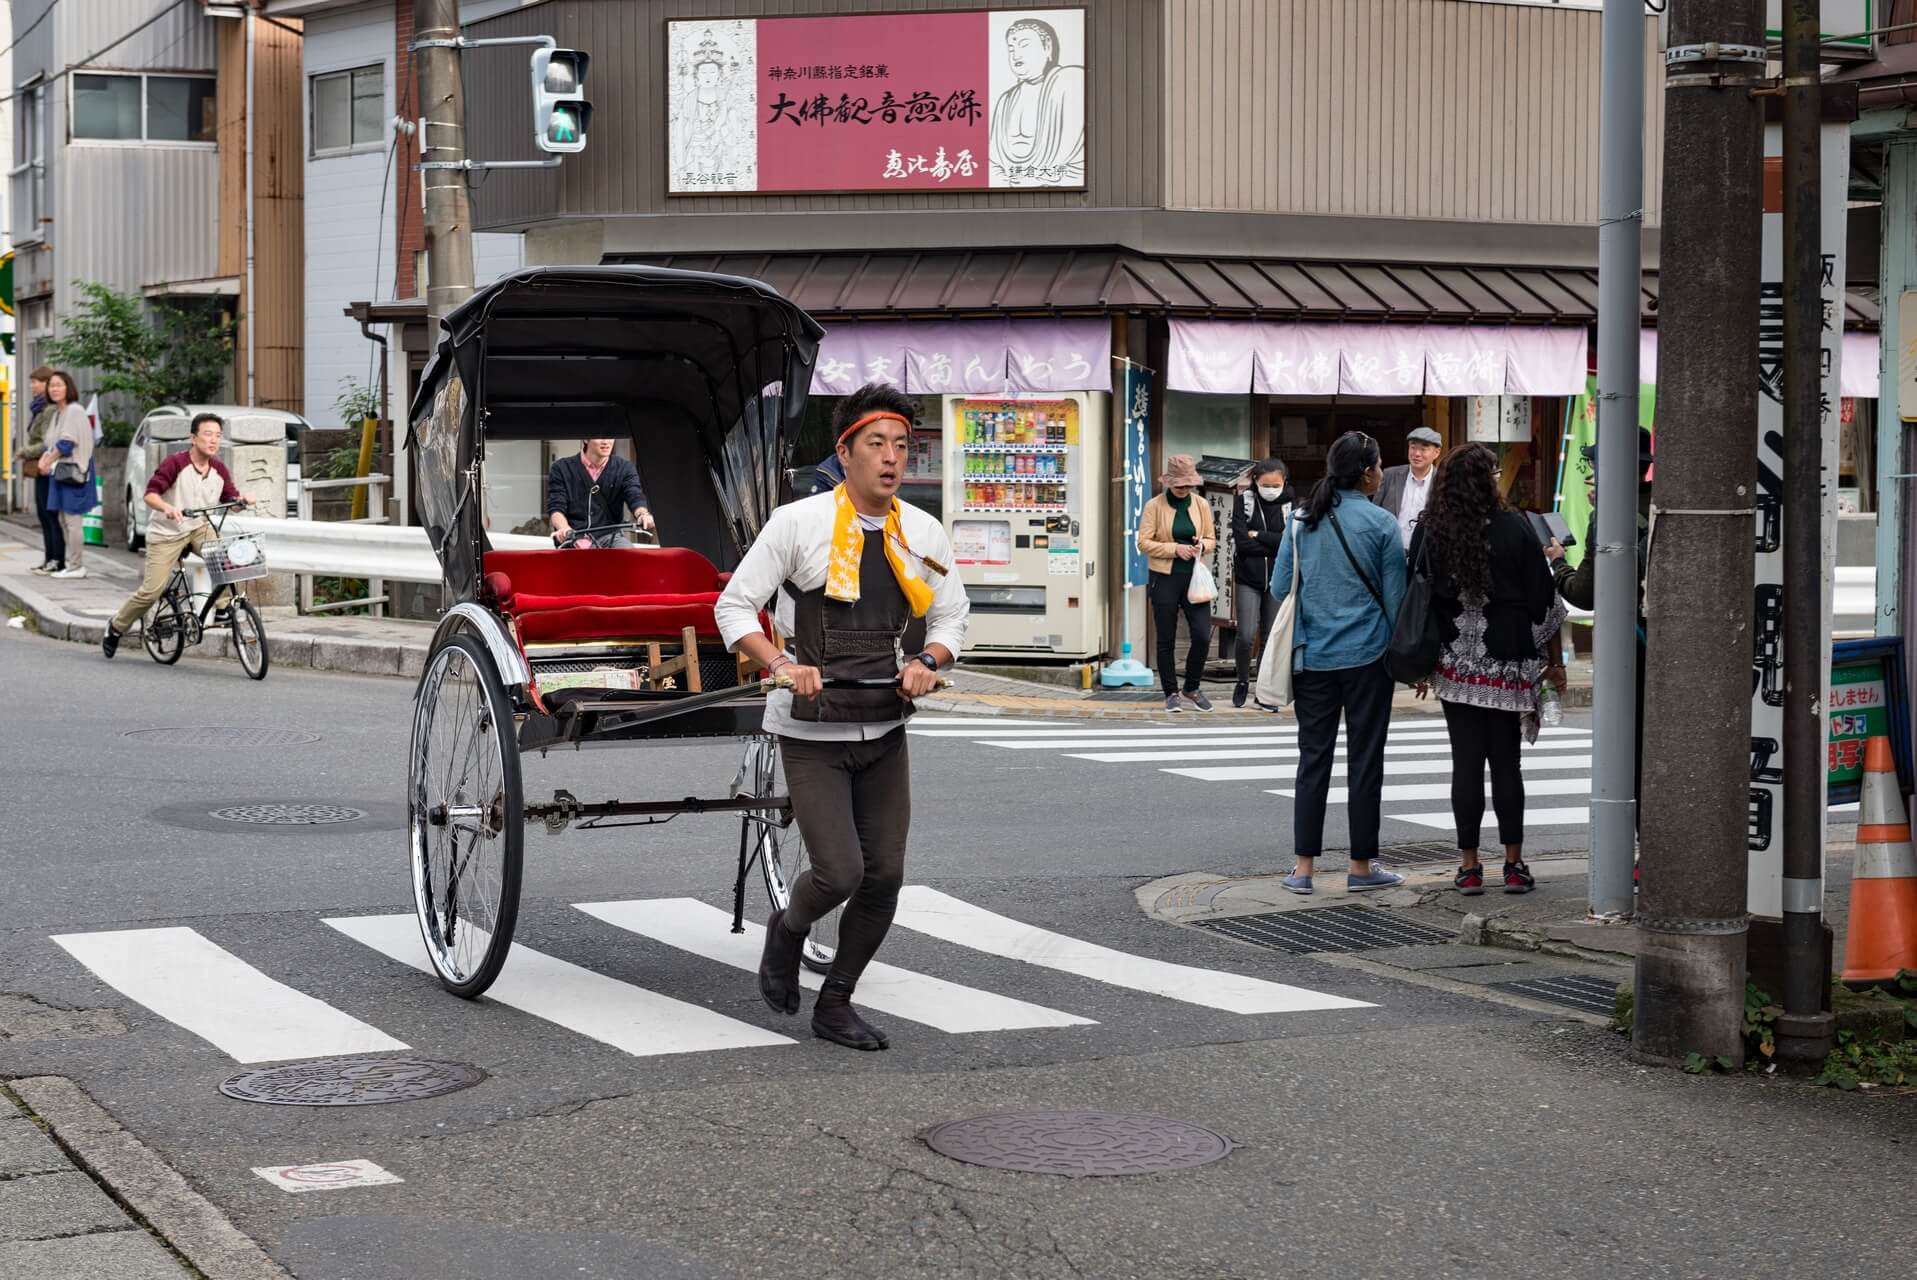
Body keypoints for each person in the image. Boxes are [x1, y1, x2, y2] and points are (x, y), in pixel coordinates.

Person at [715, 383, 969, 1052]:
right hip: (810, 731)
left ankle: (836, 1003)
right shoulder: (796, 524)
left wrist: (928, 660)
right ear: (845, 452)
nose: (891, 459)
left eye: (901, 447)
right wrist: (778, 664)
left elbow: (949, 615)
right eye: (876, 445)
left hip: (884, 724)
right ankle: (789, 929)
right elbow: (734, 608)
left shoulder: (921, 531)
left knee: (885, 875)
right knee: (840, 873)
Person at [1408, 444, 1567, 895]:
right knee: (1507, 766)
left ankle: (1469, 866)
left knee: (1465, 766)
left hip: (1455, 663)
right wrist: (1552, 661)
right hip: (1508, 661)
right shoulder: (1516, 526)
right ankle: (1514, 865)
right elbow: (1545, 602)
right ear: (1489, 480)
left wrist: (1423, 663)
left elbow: (1417, 597)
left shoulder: (1433, 530)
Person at [1270, 431, 1407, 895]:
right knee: (1366, 761)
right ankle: (1360, 867)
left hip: (1312, 656)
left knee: (1313, 759)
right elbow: (1395, 601)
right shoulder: (1382, 523)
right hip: (1369, 657)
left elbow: (1278, 587)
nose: (1382, 471)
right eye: (1380, 464)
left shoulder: (1300, 520)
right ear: (1367, 472)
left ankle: (1304, 868)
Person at [1548, 428, 1654, 838]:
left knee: (1627, 748)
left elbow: (1586, 593)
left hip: (1629, 645)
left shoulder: (1608, 516)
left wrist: (1559, 563)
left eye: (1595, 464)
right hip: (1666, 643)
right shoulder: (1661, 504)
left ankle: (1637, 847)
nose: (1590, 471)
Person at [102, 413, 256, 659]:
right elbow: (150, 494)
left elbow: (230, 499)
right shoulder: (175, 463)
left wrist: (241, 501)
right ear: (193, 438)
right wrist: (167, 508)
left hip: (197, 527)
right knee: (151, 592)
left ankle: (224, 607)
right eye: (207, 434)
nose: (213, 440)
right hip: (167, 532)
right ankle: (117, 626)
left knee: (225, 558)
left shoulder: (218, 468)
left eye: (218, 435)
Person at [1137, 454, 1218, 713]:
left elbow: (1212, 539)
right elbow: (1143, 542)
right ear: (1169, 482)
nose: (1184, 490)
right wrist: (1175, 549)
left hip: (1195, 576)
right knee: (1166, 638)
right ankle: (1171, 692)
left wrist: (1201, 545)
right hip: (1164, 577)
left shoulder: (1201, 504)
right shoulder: (1154, 506)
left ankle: (1191, 687)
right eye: (1180, 485)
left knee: (1203, 635)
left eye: (1188, 485)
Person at [988, 16, 1086, 186]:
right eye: (1011, 49)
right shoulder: (1006, 100)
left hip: (1061, 181)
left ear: (1047, 47)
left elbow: (1071, 154)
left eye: (1024, 45)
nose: (1016, 54)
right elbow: (994, 160)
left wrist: (1039, 180)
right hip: (1013, 183)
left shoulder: (1069, 82)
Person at [1230, 457, 1294, 708]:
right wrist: (1272, 543)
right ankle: (1242, 680)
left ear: (1284, 482)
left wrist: (1260, 535)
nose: (1271, 489)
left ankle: (1264, 690)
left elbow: (1289, 542)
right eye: (1266, 484)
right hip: (1248, 577)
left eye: (1276, 484)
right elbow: (1242, 543)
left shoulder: (1290, 503)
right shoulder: (1242, 501)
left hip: (1279, 577)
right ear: (1255, 481)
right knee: (1246, 634)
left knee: (1270, 637)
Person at [35, 372, 93, 579]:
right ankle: (72, 563)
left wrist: (47, 461)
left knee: (72, 518)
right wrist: (45, 458)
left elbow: (66, 444)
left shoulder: (74, 410)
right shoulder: (59, 413)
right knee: (62, 518)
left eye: (59, 385)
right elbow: (51, 443)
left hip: (73, 471)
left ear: (68, 387)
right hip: (60, 472)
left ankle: (77, 566)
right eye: (51, 385)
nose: (54, 389)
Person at [547, 438, 653, 547]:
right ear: (585, 439)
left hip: (610, 538)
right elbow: (556, 508)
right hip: (574, 537)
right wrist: (564, 528)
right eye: (600, 437)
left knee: (629, 555)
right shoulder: (561, 468)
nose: (606, 442)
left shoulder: (625, 468)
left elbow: (634, 495)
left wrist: (642, 514)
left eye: (610, 437)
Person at [1372, 425, 1444, 549]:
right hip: (1389, 551)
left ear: (1436, 453)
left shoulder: (1442, 481)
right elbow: (1374, 513)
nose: (1416, 453)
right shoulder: (1390, 475)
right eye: (1413, 447)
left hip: (1425, 555)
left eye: (1423, 449)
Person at [18, 368, 60, 574]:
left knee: (49, 513)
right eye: (31, 382)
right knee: (43, 514)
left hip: (46, 466)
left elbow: (46, 443)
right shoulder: (38, 408)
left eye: (36, 382)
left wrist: (24, 451)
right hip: (39, 465)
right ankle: (48, 558)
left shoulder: (49, 409)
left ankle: (56, 559)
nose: (32, 386)